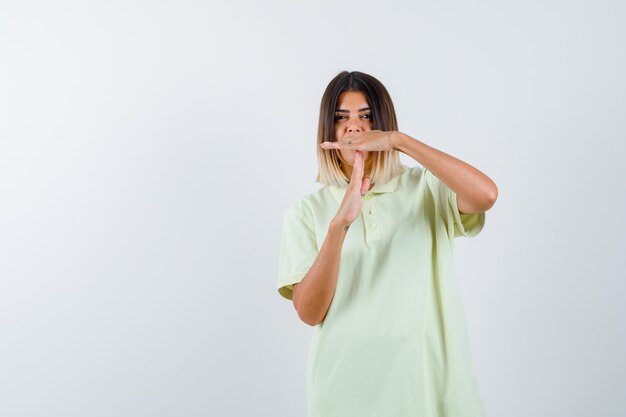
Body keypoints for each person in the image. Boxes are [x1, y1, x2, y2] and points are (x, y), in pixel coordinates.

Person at [277, 70, 498, 417]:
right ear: (327, 131)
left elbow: (485, 195)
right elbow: (309, 312)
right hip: (345, 394)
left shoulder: (427, 188)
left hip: (431, 391)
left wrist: (400, 141)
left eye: (366, 116)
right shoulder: (307, 212)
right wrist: (339, 226)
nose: (354, 127)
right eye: (341, 118)